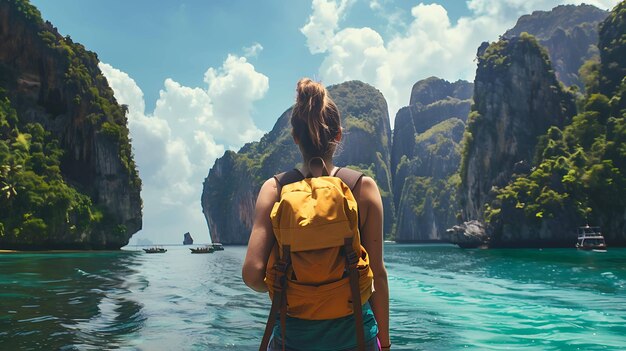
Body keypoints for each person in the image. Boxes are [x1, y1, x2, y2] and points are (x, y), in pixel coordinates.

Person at [242, 78, 390, 351]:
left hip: (293, 340)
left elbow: (252, 275)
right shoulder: (363, 188)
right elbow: (377, 275)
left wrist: (288, 290)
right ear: (339, 135)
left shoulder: (274, 189)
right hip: (356, 338)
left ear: (295, 137)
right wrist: (387, 343)